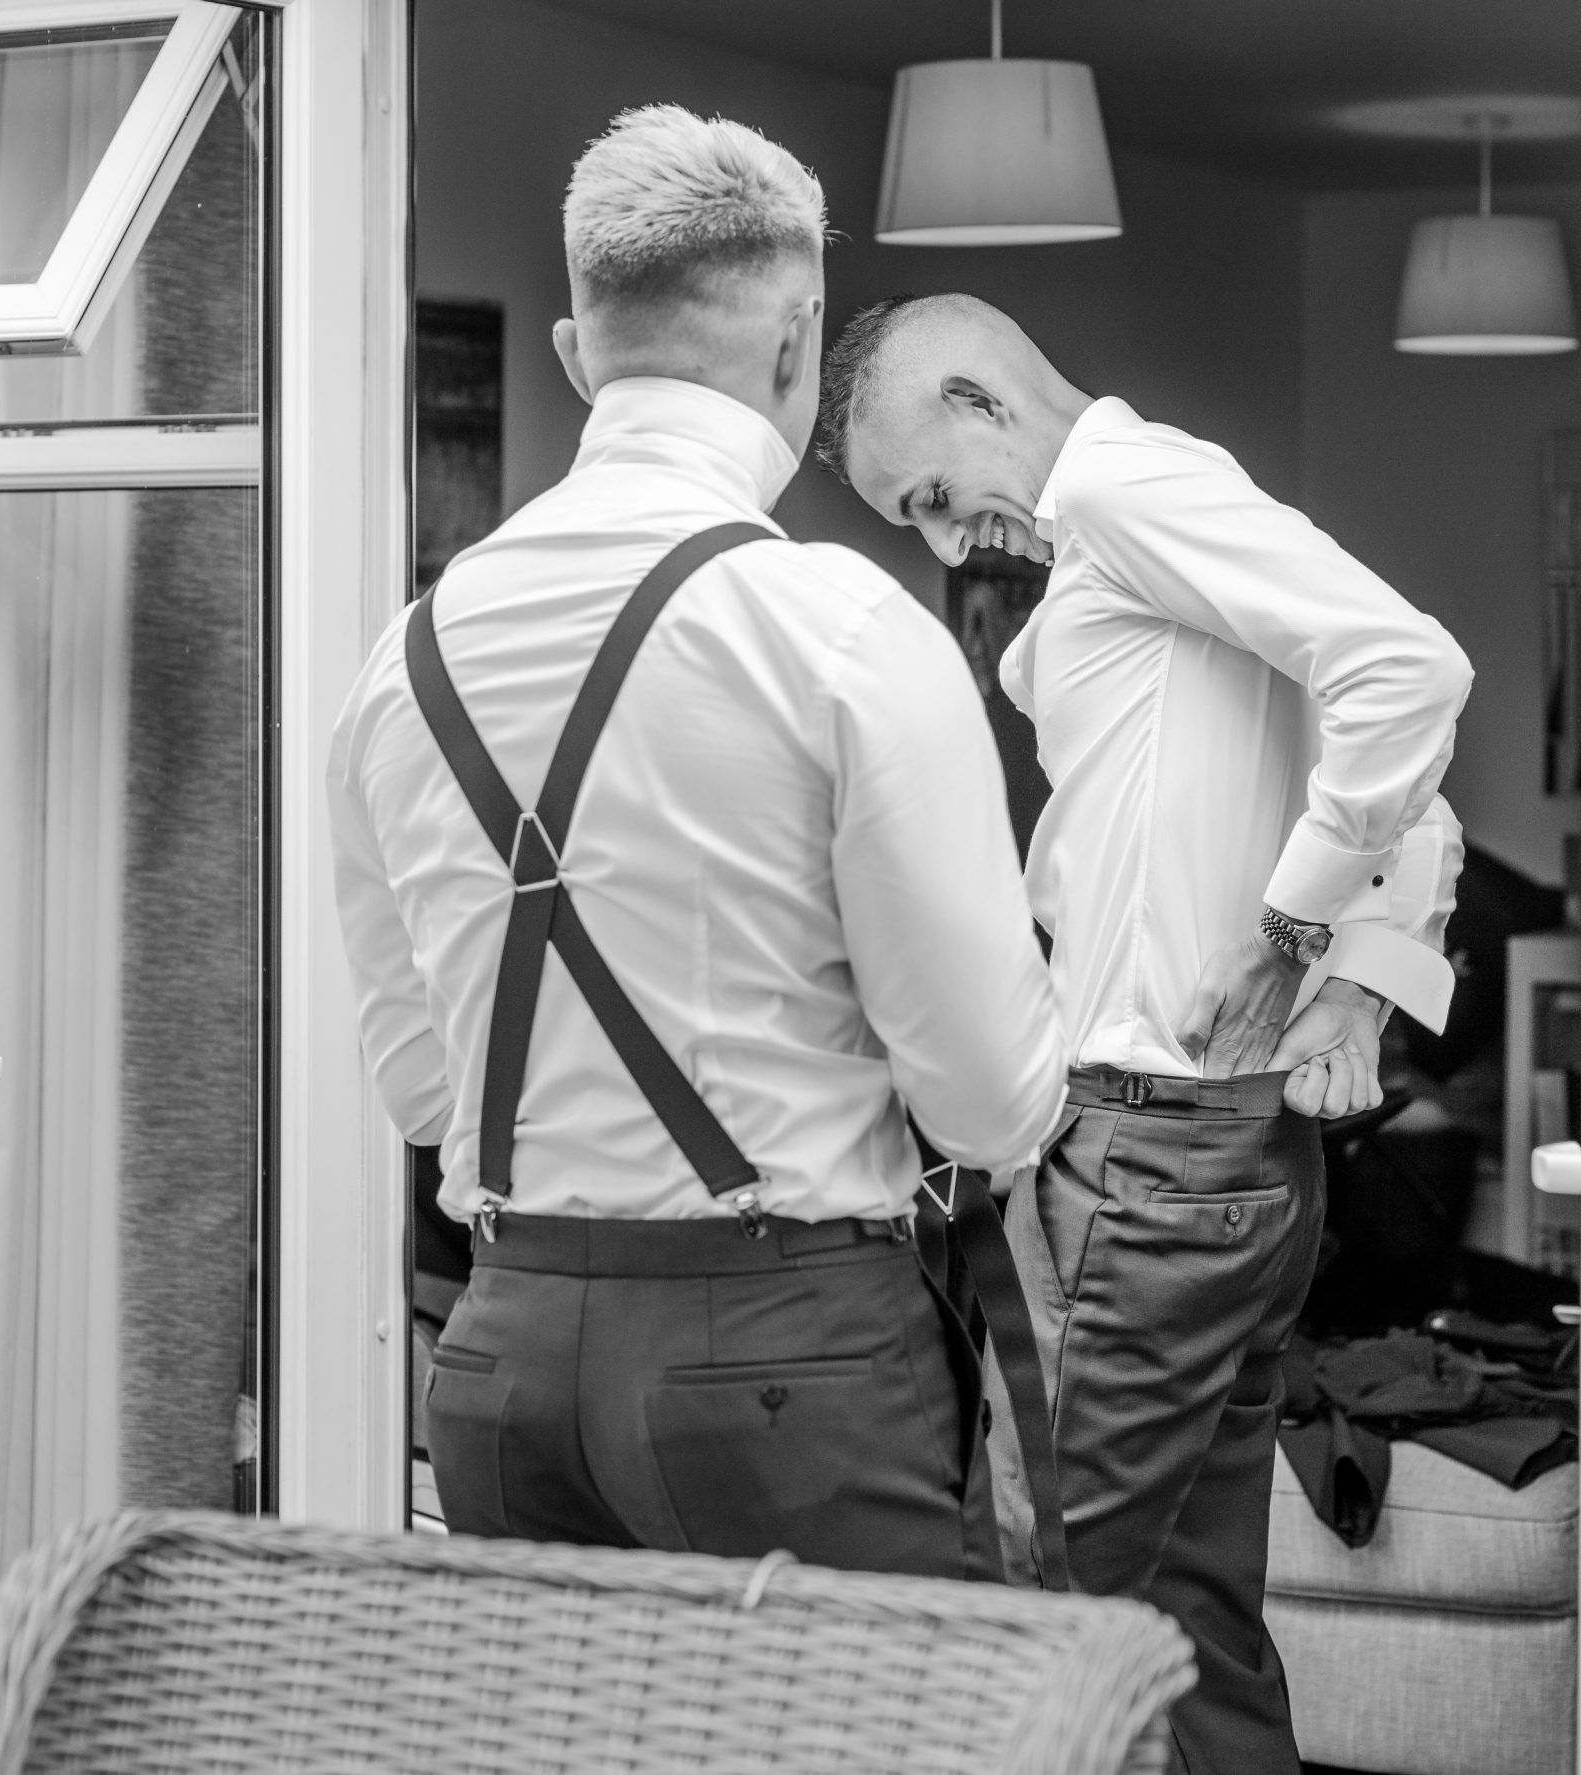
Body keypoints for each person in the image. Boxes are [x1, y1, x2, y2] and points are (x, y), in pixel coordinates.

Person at [328, 112, 1064, 1576]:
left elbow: (420, 1091)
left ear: (574, 354)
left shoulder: (400, 667)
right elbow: (990, 1108)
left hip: (507, 1367)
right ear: (799, 344)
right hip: (791, 1367)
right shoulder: (845, 632)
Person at [818, 293, 1471, 1773]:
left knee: (1031, 1619)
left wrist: (1294, 933)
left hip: (1151, 1169)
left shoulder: (1122, 490)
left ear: (981, 400)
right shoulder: (1152, 516)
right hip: (1221, 1168)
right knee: (1193, 1635)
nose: (949, 545)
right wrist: (1361, 965)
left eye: (932, 496)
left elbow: (1410, 671)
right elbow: (1414, 787)